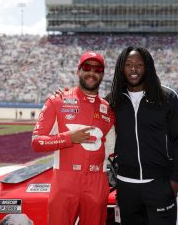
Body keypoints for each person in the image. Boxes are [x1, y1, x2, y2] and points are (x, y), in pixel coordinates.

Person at [107, 46, 178, 225]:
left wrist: (176, 180)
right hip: (126, 187)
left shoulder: (167, 97)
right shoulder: (112, 100)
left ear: (148, 67)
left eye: (139, 64)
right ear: (121, 68)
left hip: (159, 185)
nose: (134, 69)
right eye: (128, 64)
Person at [31, 51, 115, 225]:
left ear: (102, 74)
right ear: (78, 71)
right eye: (87, 67)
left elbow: (112, 152)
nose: (92, 72)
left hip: (97, 181)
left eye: (97, 69)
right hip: (65, 180)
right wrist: (68, 138)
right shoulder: (57, 101)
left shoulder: (108, 109)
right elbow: (37, 142)